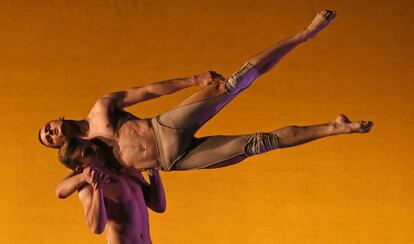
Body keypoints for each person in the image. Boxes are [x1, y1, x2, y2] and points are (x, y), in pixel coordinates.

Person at [39, 10, 374, 171]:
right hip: (176, 161)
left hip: (165, 128)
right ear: (58, 146)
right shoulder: (91, 160)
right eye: (49, 138)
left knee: (235, 82)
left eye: (48, 128)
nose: (52, 132)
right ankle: (335, 127)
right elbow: (65, 189)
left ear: (58, 119)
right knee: (259, 144)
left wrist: (193, 80)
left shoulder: (100, 110)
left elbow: (147, 91)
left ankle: (305, 34)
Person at [55, 138, 166, 244]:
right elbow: (96, 228)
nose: (94, 147)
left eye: (90, 143)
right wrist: (97, 189)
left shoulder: (127, 169)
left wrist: (153, 172)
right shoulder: (87, 188)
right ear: (80, 168)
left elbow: (159, 206)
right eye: (88, 151)